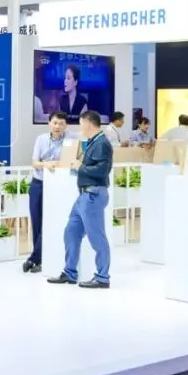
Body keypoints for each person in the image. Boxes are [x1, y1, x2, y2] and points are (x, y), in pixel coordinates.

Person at [48, 110, 112, 289]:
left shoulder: (102, 143)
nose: (80, 127)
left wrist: (80, 167)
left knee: (97, 237)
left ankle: (102, 277)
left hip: (93, 195)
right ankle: (70, 272)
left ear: (89, 123)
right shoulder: (93, 142)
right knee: (71, 231)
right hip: (84, 195)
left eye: (81, 123)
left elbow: (103, 171)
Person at [23, 111, 67, 274]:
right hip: (38, 183)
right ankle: (39, 258)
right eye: (55, 123)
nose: (57, 126)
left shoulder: (70, 140)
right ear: (49, 123)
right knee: (36, 221)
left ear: (66, 125)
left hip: (57, 185)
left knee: (50, 221)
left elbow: (71, 161)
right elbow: (34, 162)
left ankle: (36, 257)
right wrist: (46, 164)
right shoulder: (41, 139)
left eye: (61, 124)